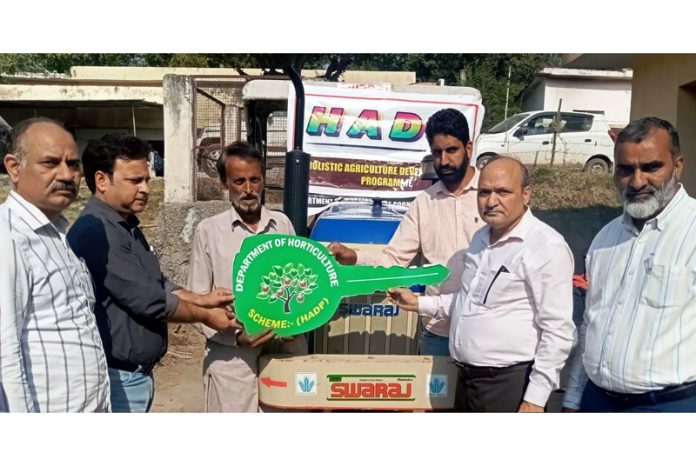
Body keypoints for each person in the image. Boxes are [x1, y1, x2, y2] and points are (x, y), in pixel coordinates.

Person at [67, 134, 241, 413]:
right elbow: (148, 299)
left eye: (146, 179)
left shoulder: (127, 226)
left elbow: (159, 283)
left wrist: (202, 298)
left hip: (137, 376)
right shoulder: (97, 232)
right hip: (118, 379)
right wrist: (207, 316)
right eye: (135, 181)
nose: (145, 188)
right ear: (101, 181)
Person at [390, 156, 575, 412]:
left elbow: (558, 330)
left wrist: (534, 399)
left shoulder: (545, 246)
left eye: (503, 192)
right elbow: (468, 301)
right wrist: (419, 303)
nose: (490, 201)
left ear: (526, 194)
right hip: (465, 380)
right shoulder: (480, 238)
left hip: (508, 384)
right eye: (484, 192)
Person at [563, 117, 696, 412]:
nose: (636, 182)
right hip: (598, 402)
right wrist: (572, 399)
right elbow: (590, 325)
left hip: (670, 406)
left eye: (651, 167)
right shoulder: (605, 238)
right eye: (625, 170)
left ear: (677, 166)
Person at [328, 108, 482, 356]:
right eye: (437, 152)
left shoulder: (491, 196)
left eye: (451, 150)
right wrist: (354, 257)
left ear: (468, 148)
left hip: (484, 330)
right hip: (438, 333)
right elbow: (394, 260)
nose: (444, 161)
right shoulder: (424, 203)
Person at [187, 141, 306, 412]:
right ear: (224, 182)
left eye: (255, 180)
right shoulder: (209, 231)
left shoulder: (283, 224)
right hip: (232, 360)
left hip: (283, 354)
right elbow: (197, 303)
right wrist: (237, 336)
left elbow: (302, 283)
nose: (249, 190)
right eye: (239, 181)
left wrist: (294, 323)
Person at [0, 117, 110, 412]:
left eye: (73, 164)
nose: (66, 174)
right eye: (50, 163)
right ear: (14, 168)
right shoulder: (8, 237)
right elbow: (5, 352)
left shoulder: (59, 234)